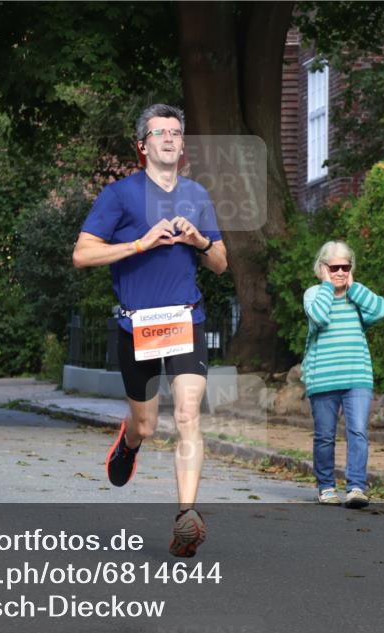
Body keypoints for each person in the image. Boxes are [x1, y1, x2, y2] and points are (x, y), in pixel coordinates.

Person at [72, 103, 228, 558]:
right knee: (146, 423)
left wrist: (200, 241)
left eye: (176, 132)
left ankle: (186, 517)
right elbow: (82, 254)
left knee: (188, 415)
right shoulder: (119, 196)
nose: (170, 138)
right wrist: (139, 244)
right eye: (160, 132)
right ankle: (130, 441)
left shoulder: (197, 194)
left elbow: (221, 263)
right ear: (142, 146)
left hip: (185, 319)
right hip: (137, 324)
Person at [302, 240, 384, 508]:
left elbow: (380, 310)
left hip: (357, 376)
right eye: (334, 267)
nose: (340, 272)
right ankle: (326, 487)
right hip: (323, 378)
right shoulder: (314, 294)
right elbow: (319, 317)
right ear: (322, 268)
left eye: (345, 267)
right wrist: (328, 286)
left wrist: (354, 287)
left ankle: (356, 488)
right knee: (324, 436)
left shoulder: (357, 295)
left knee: (358, 431)